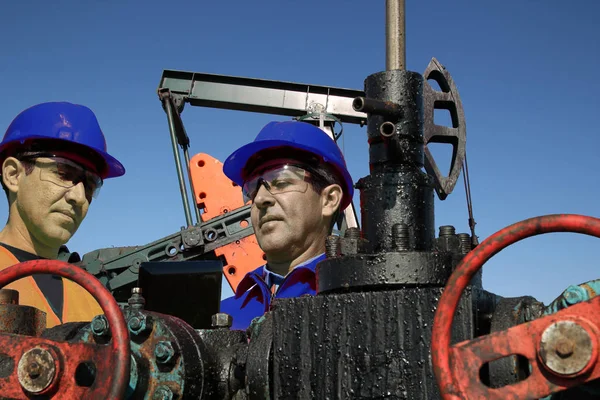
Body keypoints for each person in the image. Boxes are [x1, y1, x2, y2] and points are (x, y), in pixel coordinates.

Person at [0, 102, 125, 328]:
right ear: (13, 175)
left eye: (89, 185)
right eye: (63, 173)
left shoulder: (92, 298)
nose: (79, 197)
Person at [220, 120, 354, 330]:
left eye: (281, 182)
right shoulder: (221, 315)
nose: (260, 198)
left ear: (329, 200)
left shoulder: (361, 300)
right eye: (253, 189)